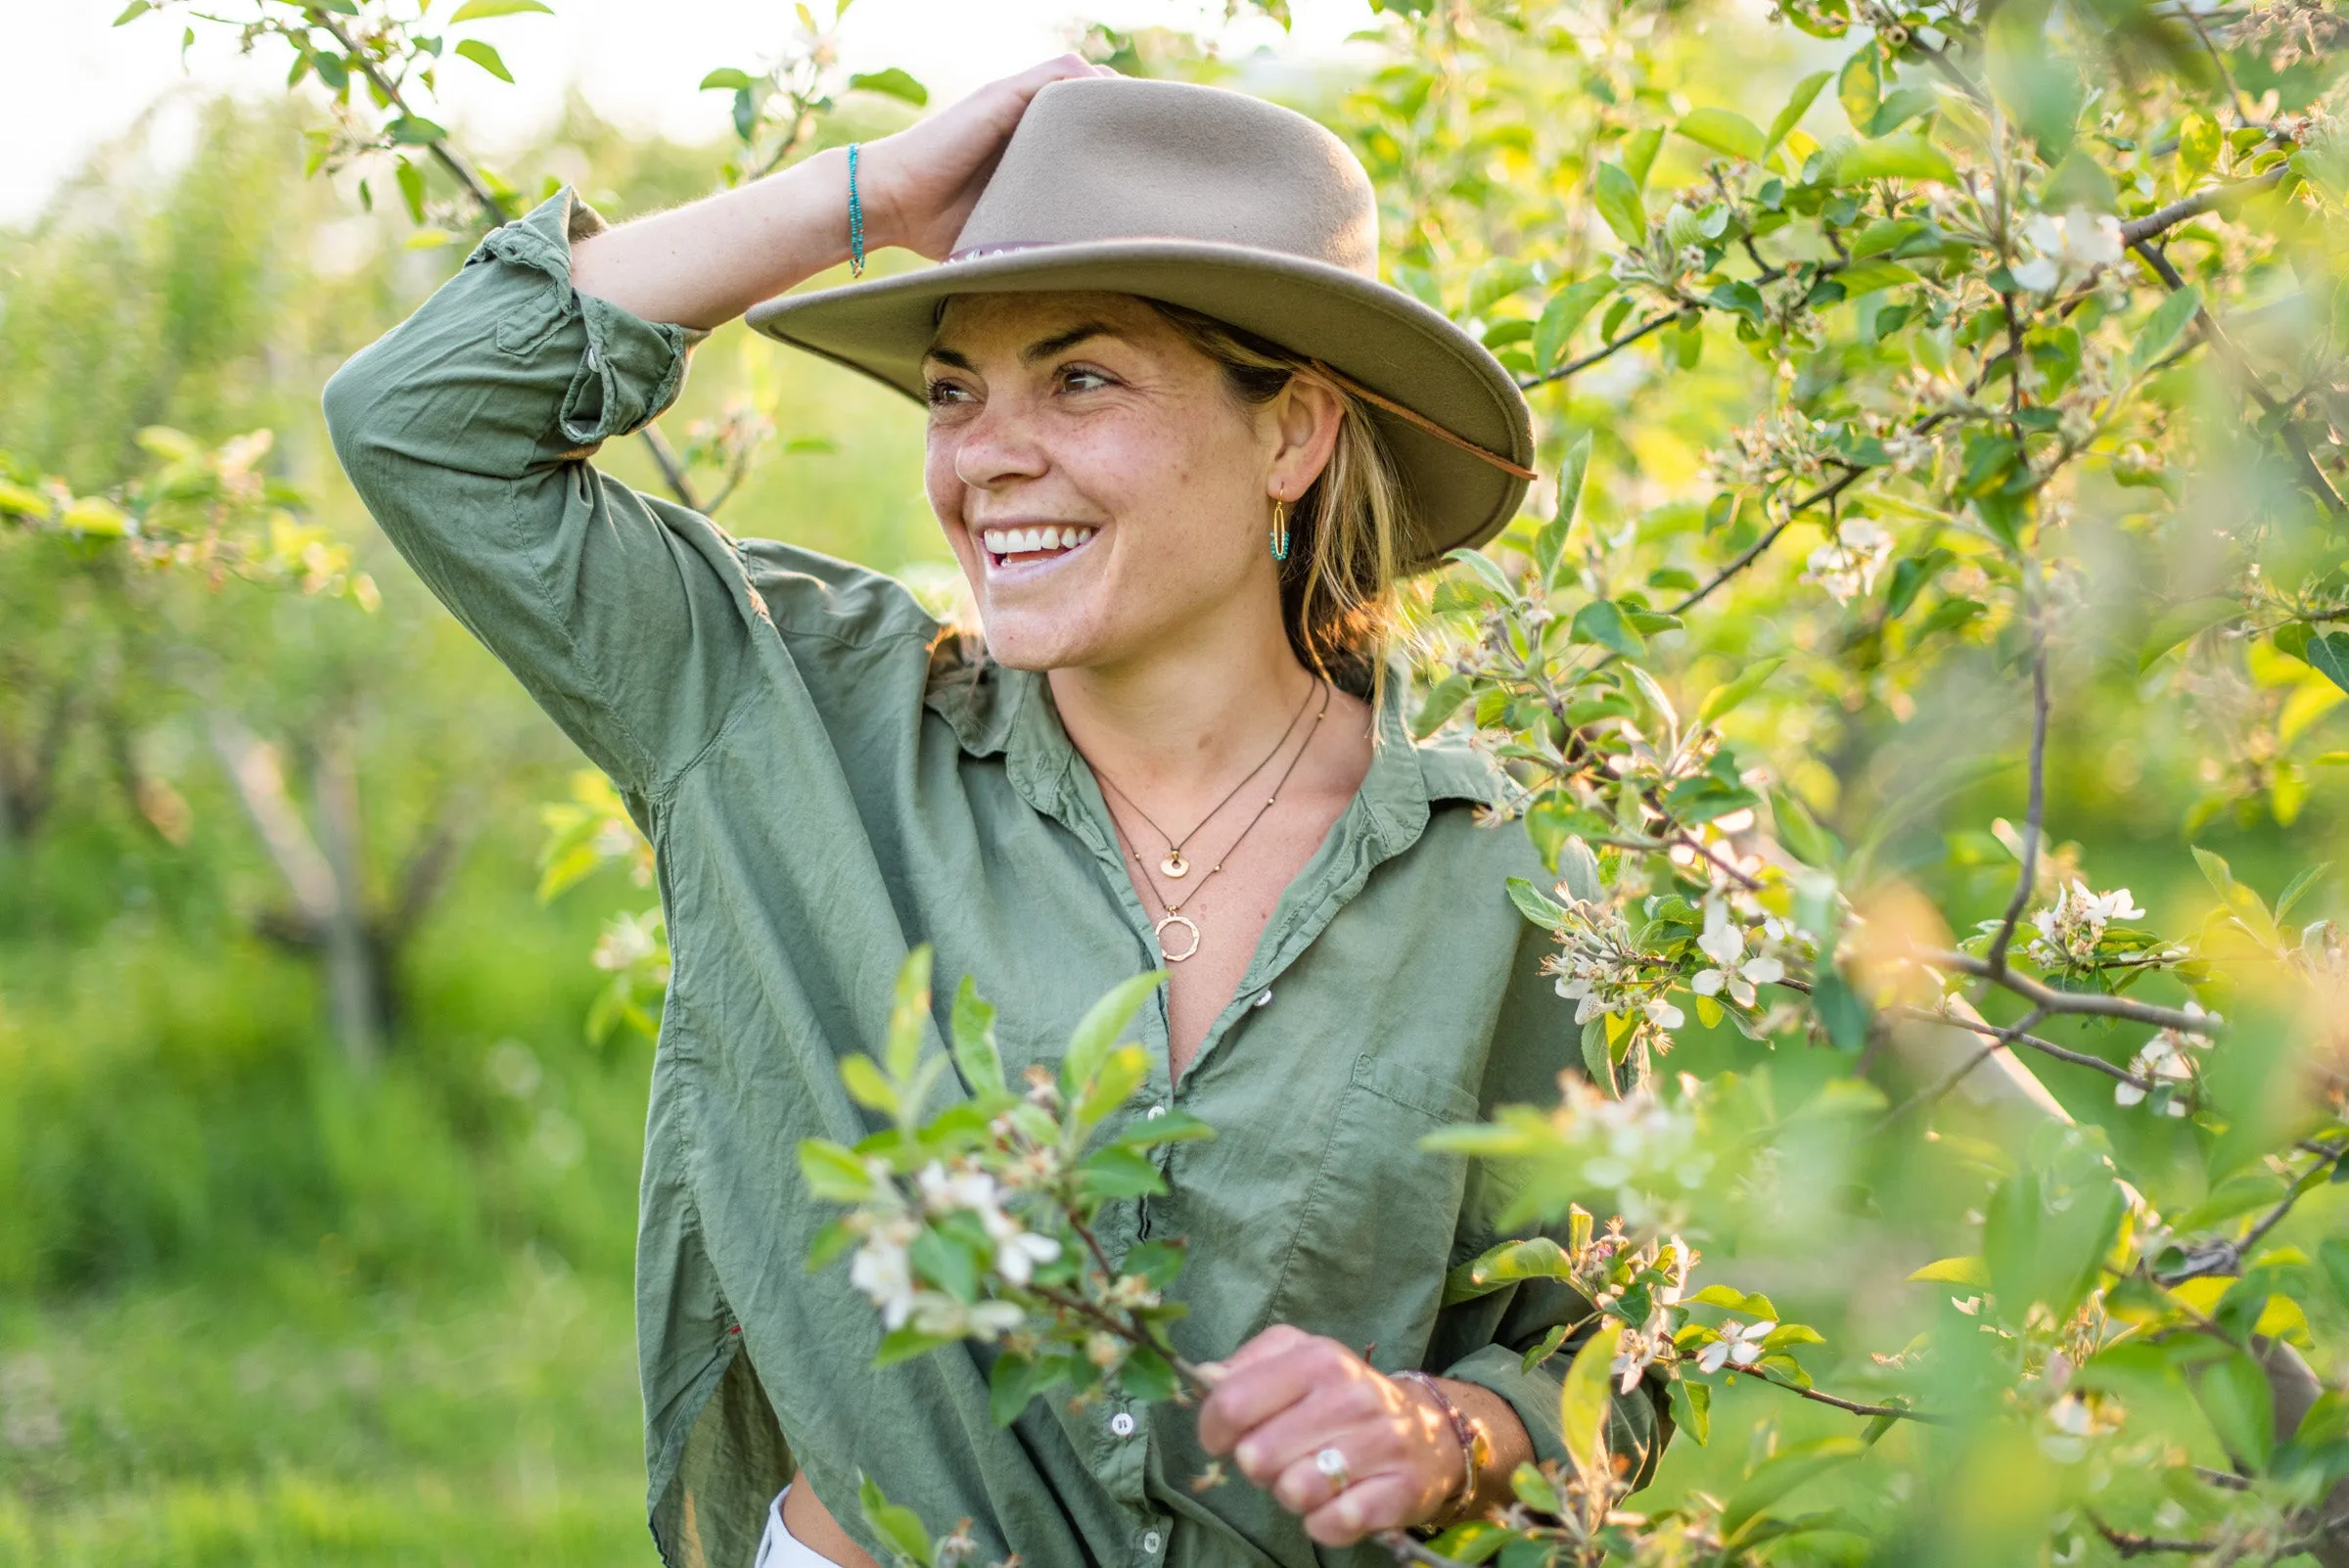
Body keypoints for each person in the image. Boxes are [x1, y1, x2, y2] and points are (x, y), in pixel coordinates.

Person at [323, 56, 1667, 1568]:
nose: (985, 458)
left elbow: (1605, 1348)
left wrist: (1446, 1435)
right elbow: (419, 421)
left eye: (1080, 378)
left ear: (1290, 433)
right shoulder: (783, 707)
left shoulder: (1499, 871)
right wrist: (874, 194)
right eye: (955, 391)